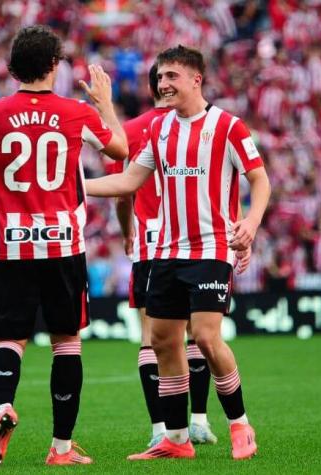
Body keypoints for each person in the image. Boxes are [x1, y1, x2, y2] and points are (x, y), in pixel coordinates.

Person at [86, 45, 270, 461]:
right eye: (160, 78)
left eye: (171, 76)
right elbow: (130, 180)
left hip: (211, 248)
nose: (163, 84)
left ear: (195, 80)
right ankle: (175, 438)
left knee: (205, 336)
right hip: (166, 251)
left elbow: (261, 181)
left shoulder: (228, 126)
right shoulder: (159, 129)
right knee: (164, 342)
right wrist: (76, 187)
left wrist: (252, 222)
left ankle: (240, 425)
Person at [0, 26, 127, 468]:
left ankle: (3, 409)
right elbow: (122, 147)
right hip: (62, 245)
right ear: (54, 66)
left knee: (9, 339)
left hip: (11, 245)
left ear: (12, 67)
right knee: (66, 343)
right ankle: (60, 448)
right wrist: (105, 104)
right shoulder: (75, 113)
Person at [114, 63, 222, 448]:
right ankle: (199, 420)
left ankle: (161, 429)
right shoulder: (203, 125)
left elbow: (124, 191)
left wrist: (128, 231)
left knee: (152, 339)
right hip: (198, 240)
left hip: (150, 242)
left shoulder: (132, 130)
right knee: (202, 335)